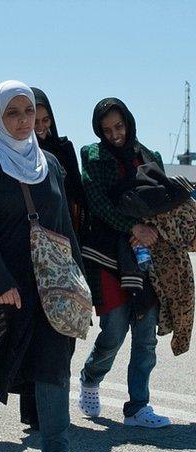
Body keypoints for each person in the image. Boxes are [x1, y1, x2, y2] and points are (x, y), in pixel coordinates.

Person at [0, 80, 96, 452]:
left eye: (28, 112)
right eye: (12, 113)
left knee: (54, 365)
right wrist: (1, 284)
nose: (22, 121)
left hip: (47, 288)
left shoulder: (48, 164)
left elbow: (65, 228)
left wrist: (79, 286)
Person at [77, 98, 172, 428]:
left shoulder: (149, 157)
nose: (115, 134)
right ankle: (90, 376)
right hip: (105, 253)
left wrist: (150, 231)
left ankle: (138, 407)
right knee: (114, 330)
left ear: (129, 123)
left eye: (119, 126)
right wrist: (132, 227)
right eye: (107, 130)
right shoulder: (92, 155)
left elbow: (161, 200)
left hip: (144, 255)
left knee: (146, 335)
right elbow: (98, 201)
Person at [18, 87, 90, 430]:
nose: (41, 127)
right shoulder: (15, 153)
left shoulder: (63, 150)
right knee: (35, 334)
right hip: (29, 251)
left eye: (46, 120)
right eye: (36, 120)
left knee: (65, 328)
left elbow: (76, 194)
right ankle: (33, 412)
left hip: (63, 248)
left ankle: (54, 405)